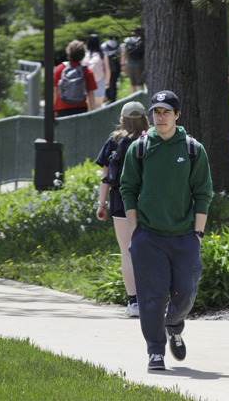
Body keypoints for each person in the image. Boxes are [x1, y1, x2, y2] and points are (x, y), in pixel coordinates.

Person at [120, 90, 213, 371]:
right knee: (152, 297)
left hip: (184, 236)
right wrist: (136, 229)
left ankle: (173, 324)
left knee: (185, 292)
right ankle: (155, 351)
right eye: (156, 113)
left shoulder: (192, 149)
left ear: (177, 115)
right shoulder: (139, 148)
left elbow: (203, 193)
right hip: (149, 236)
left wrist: (197, 233)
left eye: (166, 112)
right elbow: (128, 189)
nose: (161, 118)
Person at [95, 101, 150, 317]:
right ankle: (151, 299)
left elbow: (106, 177)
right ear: (145, 119)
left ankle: (133, 302)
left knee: (127, 251)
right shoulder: (150, 140)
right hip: (148, 202)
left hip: (120, 203)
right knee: (150, 250)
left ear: (122, 120)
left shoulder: (114, 141)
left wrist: (101, 205)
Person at [53, 40, 97, 117]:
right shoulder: (87, 71)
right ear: (83, 55)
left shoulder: (60, 69)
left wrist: (53, 109)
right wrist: (92, 112)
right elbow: (91, 94)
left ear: (68, 53)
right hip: (81, 108)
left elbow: (55, 90)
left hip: (62, 107)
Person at [84, 34, 112, 109]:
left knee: (88, 106)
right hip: (99, 81)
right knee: (98, 105)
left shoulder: (84, 54)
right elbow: (107, 69)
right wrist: (107, 82)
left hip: (86, 83)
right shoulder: (102, 54)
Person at [121, 28, 145, 93]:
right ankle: (141, 99)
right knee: (140, 83)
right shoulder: (143, 40)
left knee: (132, 83)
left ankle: (132, 99)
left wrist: (123, 65)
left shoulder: (128, 40)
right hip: (140, 64)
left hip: (130, 64)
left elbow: (123, 52)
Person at [101, 35, 122, 103]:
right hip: (116, 66)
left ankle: (108, 97)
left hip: (107, 67)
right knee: (114, 82)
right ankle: (113, 98)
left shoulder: (104, 45)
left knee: (107, 82)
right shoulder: (117, 45)